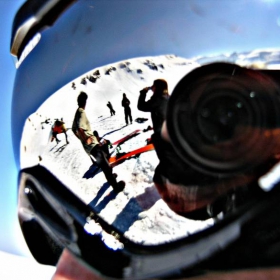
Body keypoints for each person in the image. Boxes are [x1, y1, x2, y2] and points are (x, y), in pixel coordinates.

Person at [72, 91, 125, 193]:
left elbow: (74, 130)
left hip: (91, 146)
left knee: (105, 157)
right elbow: (79, 129)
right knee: (105, 165)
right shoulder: (81, 112)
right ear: (85, 102)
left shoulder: (77, 113)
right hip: (92, 145)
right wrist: (86, 139)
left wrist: (82, 139)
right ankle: (116, 187)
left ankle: (111, 177)